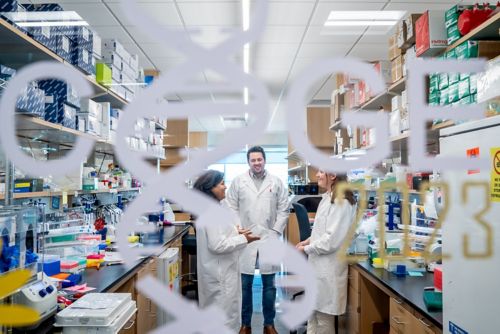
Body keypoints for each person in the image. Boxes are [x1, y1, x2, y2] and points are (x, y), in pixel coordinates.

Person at [226, 146, 289, 334]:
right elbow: (231, 207)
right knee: (245, 284)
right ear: (248, 162)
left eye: (259, 159)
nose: (256, 163)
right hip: (246, 238)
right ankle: (245, 324)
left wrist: (276, 231)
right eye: (253, 160)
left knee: (269, 284)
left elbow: (283, 209)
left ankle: (269, 324)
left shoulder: (276, 182)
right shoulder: (239, 182)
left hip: (269, 236)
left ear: (265, 160)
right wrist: (239, 230)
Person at [193, 170, 260, 332]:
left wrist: (237, 233)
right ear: (210, 188)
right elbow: (217, 245)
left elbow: (219, 234)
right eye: (222, 183)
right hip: (220, 275)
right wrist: (245, 239)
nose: (225, 187)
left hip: (219, 272)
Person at [296, 171, 356, 334]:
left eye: (321, 171)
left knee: (323, 319)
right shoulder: (328, 197)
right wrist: (308, 240)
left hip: (329, 267)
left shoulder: (341, 201)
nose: (317, 175)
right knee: (312, 314)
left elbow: (331, 240)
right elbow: (323, 229)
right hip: (318, 265)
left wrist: (306, 249)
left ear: (333, 175)